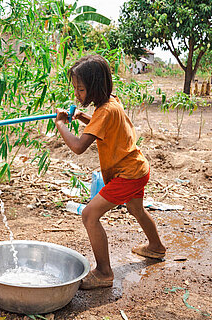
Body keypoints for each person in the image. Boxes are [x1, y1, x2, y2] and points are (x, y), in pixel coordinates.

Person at [55, 55, 166, 289]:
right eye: (76, 88)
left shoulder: (104, 112)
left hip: (128, 175)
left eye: (81, 89)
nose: (77, 94)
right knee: (136, 208)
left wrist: (61, 125)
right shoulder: (110, 103)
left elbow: (78, 147)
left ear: (95, 87)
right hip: (137, 168)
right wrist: (82, 116)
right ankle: (156, 247)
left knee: (89, 215)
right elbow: (100, 123)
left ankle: (104, 272)